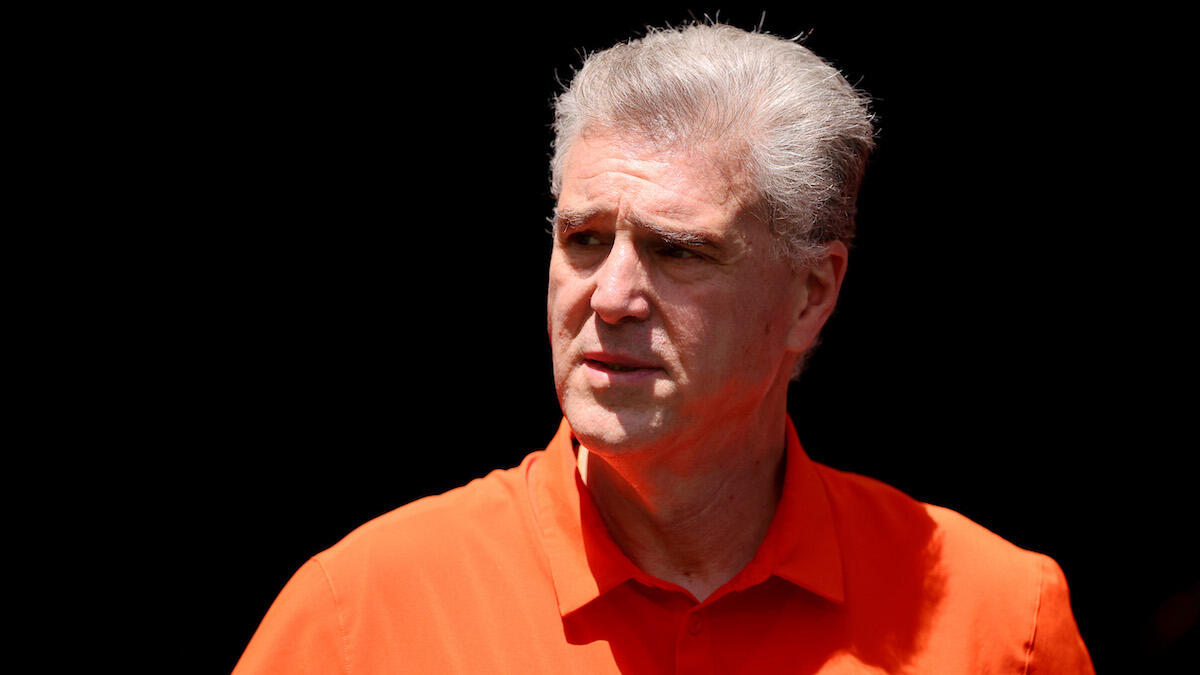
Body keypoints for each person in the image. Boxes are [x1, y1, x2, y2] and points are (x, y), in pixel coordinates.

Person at [234, 22, 1093, 673]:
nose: (610, 296)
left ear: (811, 294)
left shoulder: (1000, 622)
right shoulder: (357, 617)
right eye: (583, 238)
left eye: (678, 250)